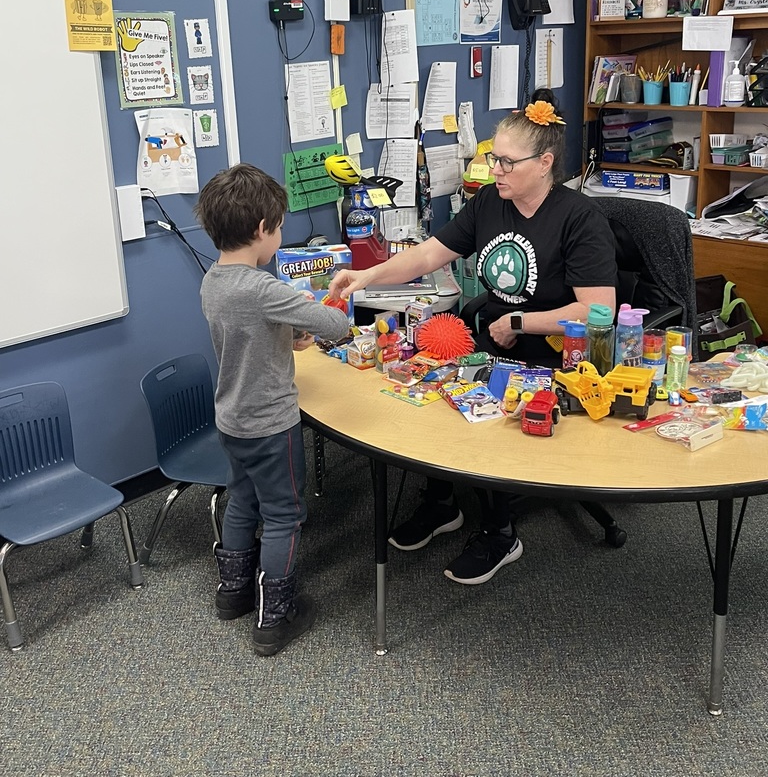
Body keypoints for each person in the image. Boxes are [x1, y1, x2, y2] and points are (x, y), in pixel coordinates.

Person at [328, 92, 616, 586]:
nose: (494, 170)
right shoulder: (489, 202)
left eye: (507, 162)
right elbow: (428, 255)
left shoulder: (578, 218)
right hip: (494, 340)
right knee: (434, 388)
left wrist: (520, 322)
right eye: (493, 158)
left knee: (489, 410)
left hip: (554, 352)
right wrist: (365, 275)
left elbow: (597, 310)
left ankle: (501, 533)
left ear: (544, 163)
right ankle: (442, 504)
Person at [195, 163, 350, 656]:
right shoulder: (263, 289)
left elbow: (251, 335)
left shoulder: (213, 280)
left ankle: (233, 593)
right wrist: (324, 308)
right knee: (285, 514)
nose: (280, 237)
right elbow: (335, 326)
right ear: (262, 229)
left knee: (243, 499)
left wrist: (290, 332)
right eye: (280, 227)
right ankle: (274, 617)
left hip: (232, 420)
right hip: (271, 425)